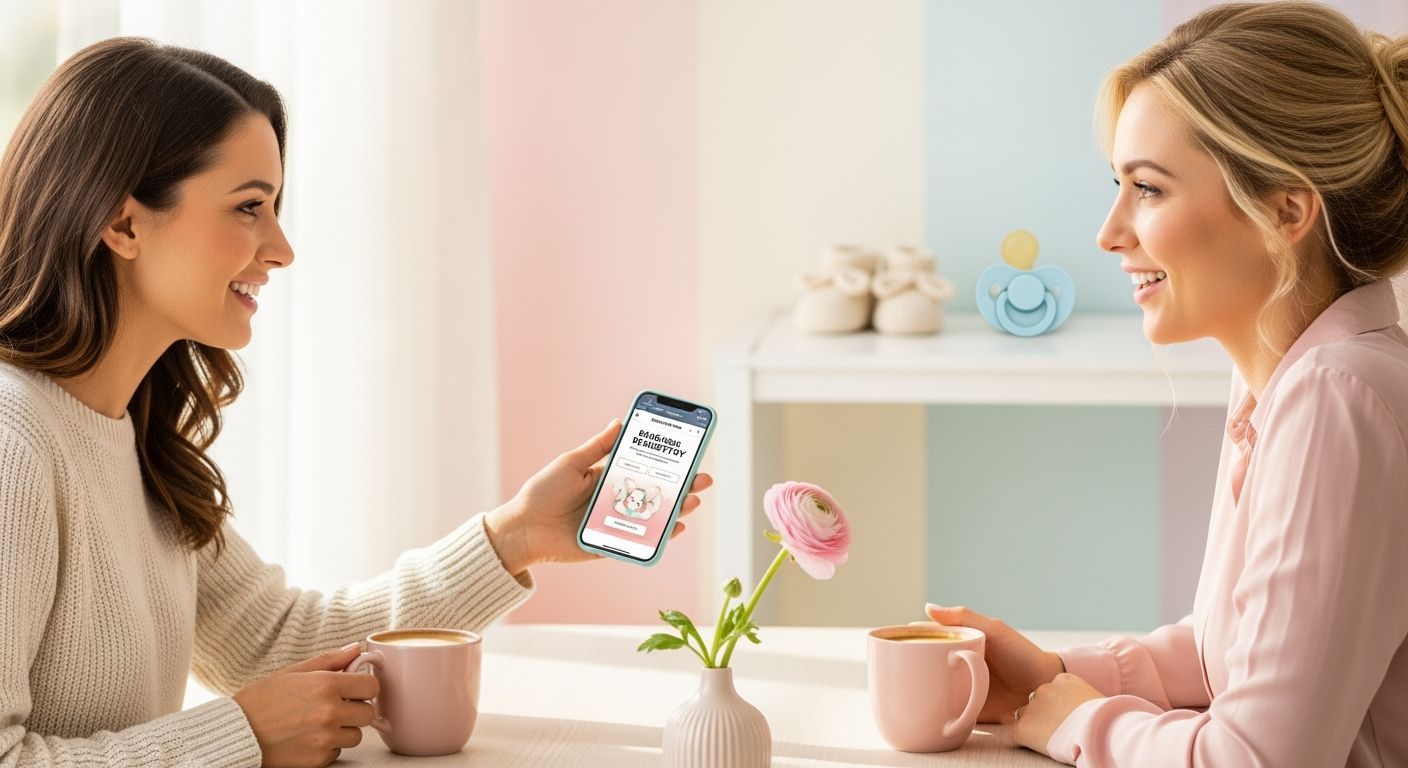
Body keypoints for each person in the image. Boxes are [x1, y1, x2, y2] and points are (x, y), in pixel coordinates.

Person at [0, 37, 711, 768]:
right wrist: (241, 737)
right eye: (249, 207)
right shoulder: (14, 447)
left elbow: (284, 643)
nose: (281, 248)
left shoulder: (132, 439)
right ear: (122, 225)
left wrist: (514, 539)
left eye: (274, 207)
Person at [926, 3, 1408, 766]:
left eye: (1147, 189)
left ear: (1286, 210)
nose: (1109, 232)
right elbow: (1236, 651)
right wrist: (1056, 677)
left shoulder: (1337, 399)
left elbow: (1257, 758)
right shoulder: (1292, 383)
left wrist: (1078, 724)